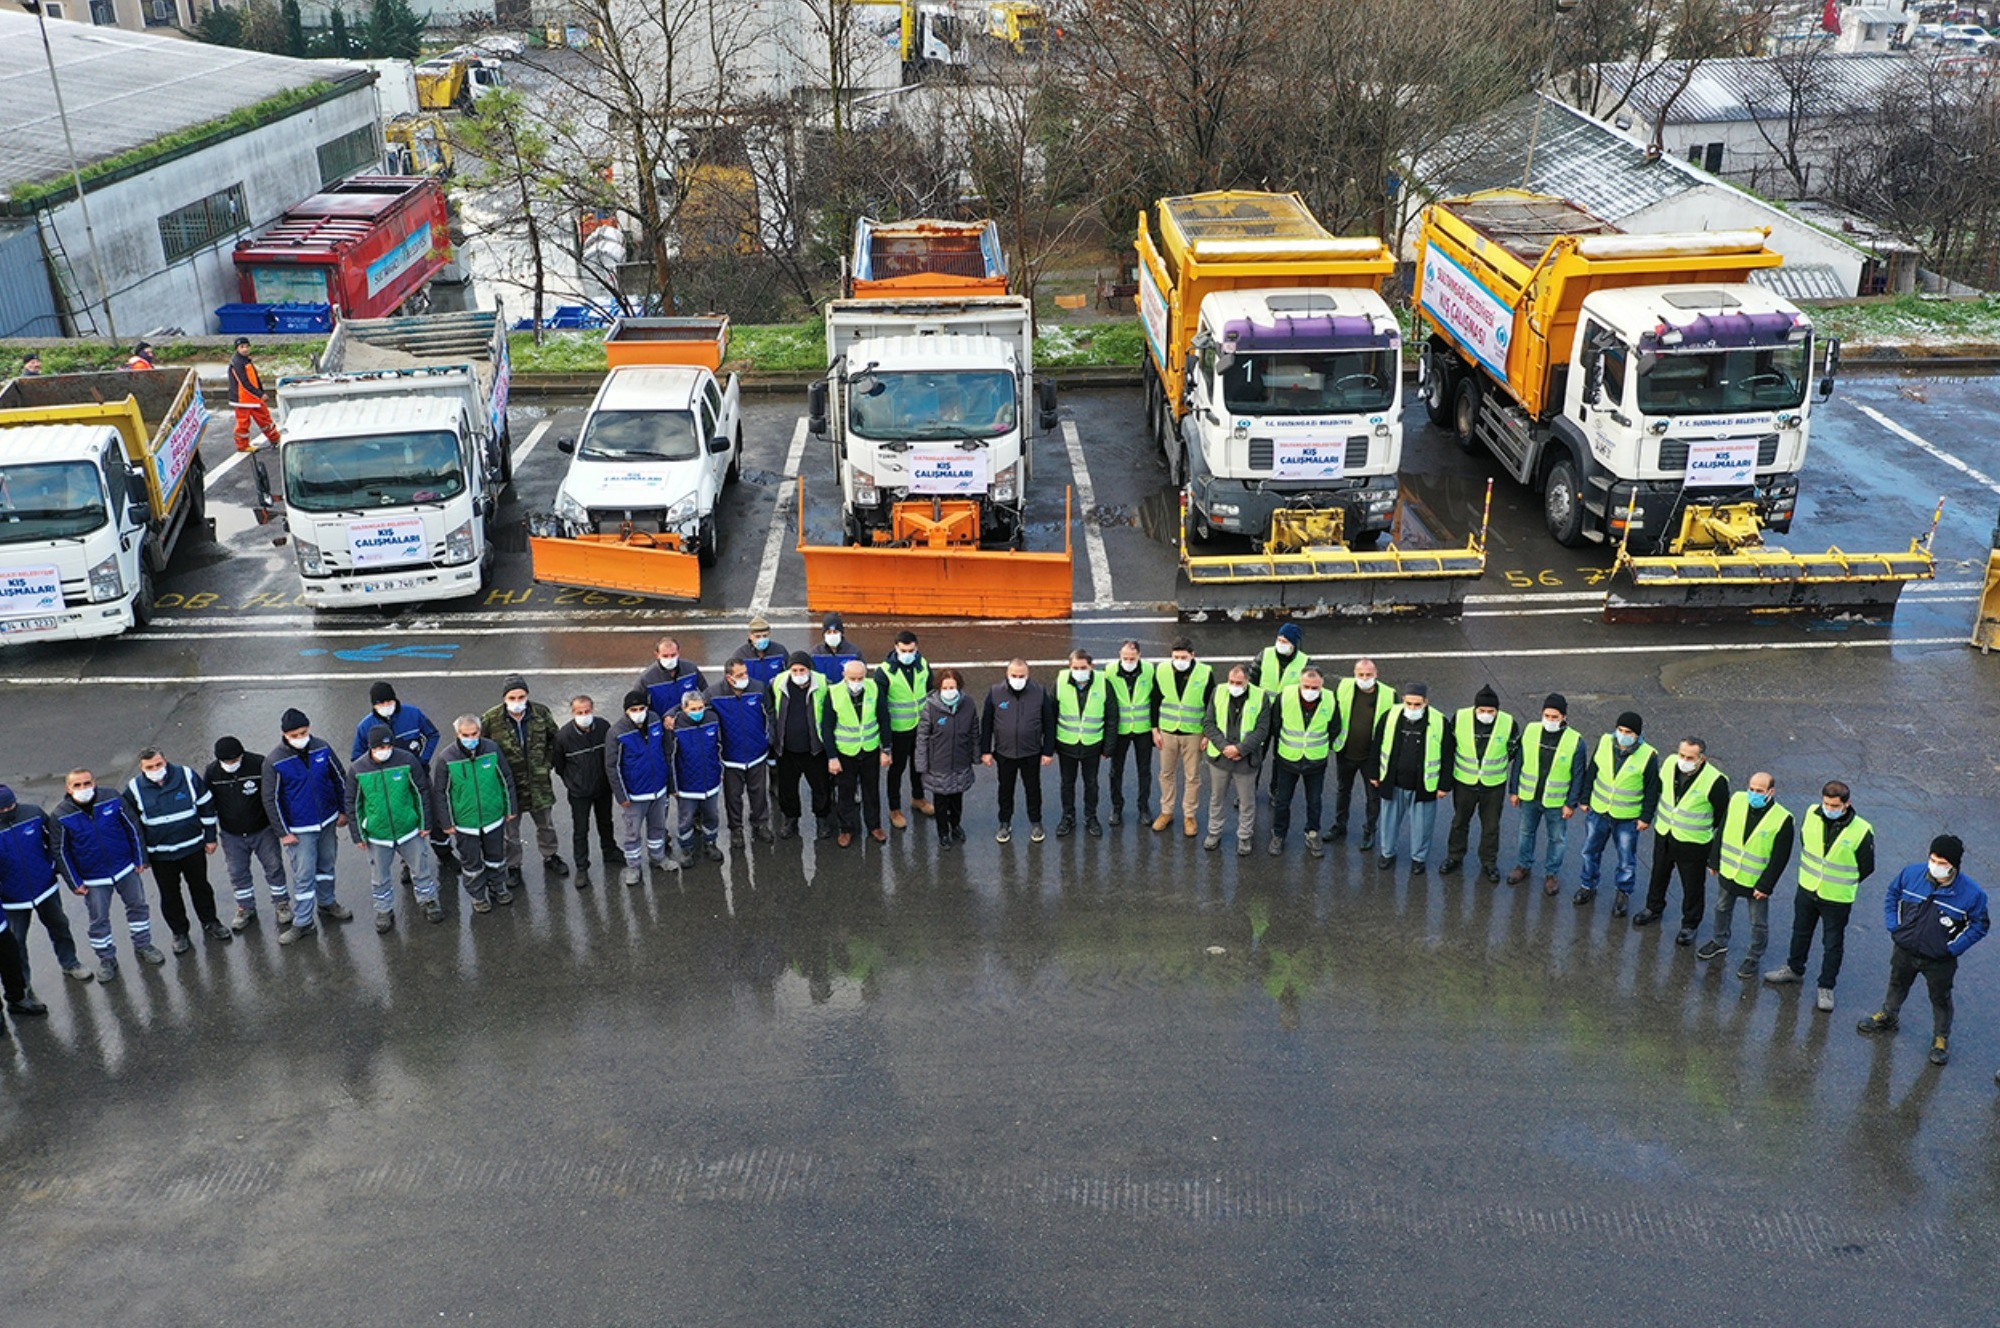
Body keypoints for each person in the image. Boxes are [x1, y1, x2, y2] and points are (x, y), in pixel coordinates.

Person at [1858, 835, 1990, 1067]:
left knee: (1940, 998)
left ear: (1953, 865)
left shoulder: (1972, 894)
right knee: (1897, 983)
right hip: (1905, 948)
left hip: (1940, 959)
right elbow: (1892, 895)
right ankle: (1888, 1015)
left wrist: (1953, 948)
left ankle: (1941, 1038)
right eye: (1932, 859)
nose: (1935, 865)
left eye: (1941, 862)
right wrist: (1894, 926)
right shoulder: (1911, 875)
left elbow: (1980, 924)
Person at [1764, 780, 1877, 1013]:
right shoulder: (1811, 813)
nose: (1828, 808)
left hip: (1836, 897)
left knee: (1832, 943)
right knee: (1800, 932)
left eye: (1834, 805)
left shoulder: (1862, 830)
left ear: (1847, 804)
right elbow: (1806, 843)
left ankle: (1826, 986)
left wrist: (1838, 882)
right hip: (1807, 887)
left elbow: (1866, 867)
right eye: (1825, 803)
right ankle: (1794, 968)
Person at [51, 768, 159, 980]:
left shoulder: (112, 798)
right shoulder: (60, 815)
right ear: (68, 788)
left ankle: (143, 945)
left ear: (95, 782)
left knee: (138, 907)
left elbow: (133, 828)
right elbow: (61, 852)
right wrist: (74, 882)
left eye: (87, 783)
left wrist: (140, 858)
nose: (84, 788)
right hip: (93, 879)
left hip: (125, 868)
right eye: (78, 785)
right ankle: (107, 959)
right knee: (99, 920)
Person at [123, 747, 230, 954]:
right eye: (150, 767)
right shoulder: (134, 789)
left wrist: (210, 837)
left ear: (165, 760)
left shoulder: (186, 776)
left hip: (193, 847)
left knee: (201, 887)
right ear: (141, 768)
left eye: (158, 764)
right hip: (161, 854)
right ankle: (179, 932)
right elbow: (132, 825)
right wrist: (141, 857)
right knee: (170, 894)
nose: (155, 769)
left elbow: (206, 805)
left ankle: (211, 922)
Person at [262, 709, 354, 945]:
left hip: (327, 821)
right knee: (303, 875)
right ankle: (303, 921)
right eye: (295, 734)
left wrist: (343, 811)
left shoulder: (322, 747)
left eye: (304, 732)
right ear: (285, 735)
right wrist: (284, 832)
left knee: (326, 865)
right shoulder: (275, 761)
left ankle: (327, 902)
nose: (301, 737)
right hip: (299, 830)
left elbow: (339, 779)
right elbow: (271, 799)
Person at [1697, 771, 1795, 978]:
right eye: (1751, 789)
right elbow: (1722, 830)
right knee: (1722, 908)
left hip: (1755, 881)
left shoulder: (1782, 819)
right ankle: (1719, 941)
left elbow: (1780, 858)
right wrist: (1714, 860)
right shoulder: (1737, 800)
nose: (1753, 794)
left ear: (1771, 792)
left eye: (1759, 791)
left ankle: (1754, 956)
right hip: (1730, 871)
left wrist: (1766, 885)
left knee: (1758, 921)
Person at [345, 725, 441, 930]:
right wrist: (358, 835)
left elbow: (421, 792)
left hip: (409, 830)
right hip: (378, 835)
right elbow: (353, 804)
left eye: (388, 745)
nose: (384, 749)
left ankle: (428, 901)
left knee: (421, 869)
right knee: (380, 877)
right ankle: (383, 910)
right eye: (379, 746)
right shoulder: (357, 769)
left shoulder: (407, 760)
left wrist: (425, 823)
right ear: (370, 747)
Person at [1635, 736, 1730, 944]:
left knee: (1692, 886)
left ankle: (1690, 924)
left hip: (1693, 843)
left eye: (1690, 757)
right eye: (1682, 755)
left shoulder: (1715, 781)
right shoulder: (1669, 763)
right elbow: (1660, 790)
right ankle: (1653, 907)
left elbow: (1721, 817)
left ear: (1701, 759)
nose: (1684, 760)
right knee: (1658, 874)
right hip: (1665, 834)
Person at [0, 784, 92, 986]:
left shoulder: (33, 813)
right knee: (16, 943)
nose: (8, 811)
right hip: (12, 899)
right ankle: (22, 984)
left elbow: (54, 842)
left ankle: (70, 963)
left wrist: (51, 867)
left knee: (60, 927)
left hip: (45, 888)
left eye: (11, 806)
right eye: (3, 810)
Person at [483, 674, 567, 886]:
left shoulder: (541, 713)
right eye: (512, 697)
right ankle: (513, 866)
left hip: (538, 783)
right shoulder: (491, 719)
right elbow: (483, 749)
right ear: (505, 698)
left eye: (521, 696)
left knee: (546, 824)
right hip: (510, 786)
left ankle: (550, 855)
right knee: (511, 831)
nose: (517, 701)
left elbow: (554, 740)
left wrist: (547, 763)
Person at [1574, 712, 1660, 917]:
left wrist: (1646, 817)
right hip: (1599, 811)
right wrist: (1584, 799)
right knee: (1590, 851)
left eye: (1628, 732)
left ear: (1637, 735)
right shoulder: (1605, 742)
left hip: (1627, 817)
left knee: (1626, 859)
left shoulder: (1648, 755)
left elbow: (1652, 789)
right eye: (1620, 730)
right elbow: (1592, 770)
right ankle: (1588, 885)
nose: (1623, 735)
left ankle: (1623, 893)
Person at [432, 715, 518, 912]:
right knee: (472, 863)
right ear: (458, 734)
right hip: (465, 823)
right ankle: (478, 896)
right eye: (466, 735)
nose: (471, 738)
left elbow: (506, 778)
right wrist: (446, 823)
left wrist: (511, 807)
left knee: (496, 857)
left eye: (474, 733)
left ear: (480, 732)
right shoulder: (446, 758)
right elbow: (441, 793)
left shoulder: (492, 749)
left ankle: (498, 887)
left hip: (493, 818)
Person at [205, 736, 290, 931]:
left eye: (235, 760)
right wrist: (209, 836)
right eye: (227, 762)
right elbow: (207, 804)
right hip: (231, 833)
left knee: (274, 866)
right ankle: (245, 907)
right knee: (237, 872)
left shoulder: (259, 764)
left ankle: (281, 903)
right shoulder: (212, 772)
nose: (231, 765)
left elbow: (273, 795)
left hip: (262, 830)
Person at [1508, 694, 1586, 896]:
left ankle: (1552, 874)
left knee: (1557, 839)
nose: (1550, 720)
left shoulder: (1575, 741)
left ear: (1564, 717)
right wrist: (1514, 790)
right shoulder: (1531, 731)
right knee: (1526, 832)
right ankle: (1523, 865)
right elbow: (1519, 762)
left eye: (1554, 716)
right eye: (1547, 715)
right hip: (1529, 796)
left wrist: (1571, 803)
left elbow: (1578, 775)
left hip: (1556, 802)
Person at [1372, 683, 1452, 871]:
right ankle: (1387, 853)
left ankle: (1418, 859)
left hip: (1423, 785)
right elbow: (1377, 745)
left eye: (1417, 705)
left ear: (1426, 703)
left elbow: (1447, 754)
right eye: (1409, 704)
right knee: (1388, 822)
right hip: (1394, 782)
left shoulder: (1439, 722)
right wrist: (1374, 774)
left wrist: (1444, 785)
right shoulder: (1390, 716)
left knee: (1422, 826)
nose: (1413, 708)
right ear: (1403, 700)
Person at [1443, 685, 1518, 882]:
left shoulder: (1508, 723)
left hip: (1493, 785)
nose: (1486, 714)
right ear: (1475, 708)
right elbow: (1450, 747)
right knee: (1459, 822)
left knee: (1491, 826)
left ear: (1497, 710)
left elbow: (1512, 750)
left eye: (1491, 711)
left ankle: (1489, 862)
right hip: (1464, 782)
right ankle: (1454, 856)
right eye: (1482, 711)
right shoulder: (1460, 718)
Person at [1326, 659, 1397, 850]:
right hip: (1346, 752)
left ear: (1376, 675)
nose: (1364, 679)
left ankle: (1369, 830)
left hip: (1371, 757)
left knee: (1373, 796)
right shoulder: (1344, 687)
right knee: (1343, 790)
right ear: (1354, 674)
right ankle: (1340, 825)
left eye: (1368, 675)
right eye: (1361, 675)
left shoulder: (1390, 695)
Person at [606, 689, 675, 884]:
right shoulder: (617, 732)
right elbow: (613, 767)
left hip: (658, 790)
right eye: (634, 709)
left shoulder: (654, 720)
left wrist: (669, 784)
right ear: (626, 711)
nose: (639, 712)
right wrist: (622, 796)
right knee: (632, 833)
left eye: (642, 708)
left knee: (658, 828)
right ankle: (633, 866)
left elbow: (666, 751)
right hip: (635, 796)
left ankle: (658, 857)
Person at [1267, 666, 1338, 859]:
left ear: (1322, 685)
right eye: (1306, 686)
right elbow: (1275, 724)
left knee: (1314, 801)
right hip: (1288, 758)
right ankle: (1279, 835)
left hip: (1315, 761)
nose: (1310, 691)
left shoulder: (1330, 700)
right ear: (1300, 683)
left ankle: (1312, 833)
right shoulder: (1286, 696)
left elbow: (1335, 727)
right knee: (1282, 801)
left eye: (1315, 687)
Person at [983, 658, 1055, 844]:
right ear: (1007, 675)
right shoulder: (995, 693)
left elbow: (1049, 723)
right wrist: (986, 751)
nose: (1017, 679)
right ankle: (1004, 822)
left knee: (1033, 789)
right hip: (1005, 753)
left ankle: (1036, 822)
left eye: (1021, 676)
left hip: (1031, 752)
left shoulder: (1039, 692)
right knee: (1005, 790)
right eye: (1014, 675)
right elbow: (987, 724)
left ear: (1028, 675)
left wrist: (1048, 751)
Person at [821, 658, 892, 847]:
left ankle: (874, 826)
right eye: (852, 678)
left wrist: (886, 749)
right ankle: (846, 829)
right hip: (845, 752)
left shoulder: (874, 688)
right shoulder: (833, 693)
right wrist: (832, 757)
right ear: (844, 676)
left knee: (871, 791)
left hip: (869, 750)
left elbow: (884, 719)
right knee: (845, 793)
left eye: (860, 678)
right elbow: (826, 727)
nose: (856, 682)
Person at [1201, 664, 1269, 855]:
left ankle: (1245, 836)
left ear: (1247, 681)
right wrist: (1224, 747)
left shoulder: (1260, 696)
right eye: (1231, 681)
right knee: (1217, 798)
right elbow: (1209, 723)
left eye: (1239, 683)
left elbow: (1262, 730)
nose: (1234, 685)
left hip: (1246, 759)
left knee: (1247, 802)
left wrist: (1241, 749)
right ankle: (1214, 832)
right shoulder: (1219, 691)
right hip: (1220, 757)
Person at [555, 695, 621, 883]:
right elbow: (559, 765)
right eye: (579, 712)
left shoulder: (603, 727)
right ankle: (582, 866)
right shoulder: (564, 736)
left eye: (587, 711)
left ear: (593, 709)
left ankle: (610, 851)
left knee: (606, 822)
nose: (584, 715)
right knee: (581, 829)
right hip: (579, 792)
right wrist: (573, 782)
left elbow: (611, 754)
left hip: (602, 787)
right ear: (573, 713)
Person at [1151, 638, 1213, 838]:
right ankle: (1166, 811)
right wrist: (1155, 729)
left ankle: (1189, 815)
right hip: (1168, 731)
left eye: (1183, 657)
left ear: (1192, 655)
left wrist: (1207, 734)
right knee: (1166, 774)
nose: (1179, 660)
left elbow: (1211, 705)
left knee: (1192, 777)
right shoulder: (1161, 670)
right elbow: (1155, 699)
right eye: (1175, 657)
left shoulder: (1204, 673)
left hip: (1193, 732)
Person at [713, 660, 777, 846]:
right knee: (733, 796)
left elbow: (770, 713)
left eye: (745, 673)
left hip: (757, 754)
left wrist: (768, 738)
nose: (745, 678)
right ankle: (736, 828)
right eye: (740, 675)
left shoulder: (758, 688)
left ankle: (761, 823)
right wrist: (672, 714)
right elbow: (693, 705)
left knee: (758, 793)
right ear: (729, 677)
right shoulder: (714, 694)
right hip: (731, 758)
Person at [915, 668, 980, 848]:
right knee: (941, 802)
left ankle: (955, 824)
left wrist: (976, 756)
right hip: (938, 764)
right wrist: (921, 763)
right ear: (939, 688)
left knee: (957, 798)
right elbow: (922, 737)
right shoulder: (930, 707)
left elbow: (974, 731)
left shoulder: (968, 704)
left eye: (953, 687)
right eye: (946, 687)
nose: (950, 691)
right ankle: (943, 833)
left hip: (960, 761)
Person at [877, 630, 933, 829]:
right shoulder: (884, 672)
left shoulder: (923, 665)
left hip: (920, 728)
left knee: (919, 766)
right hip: (898, 730)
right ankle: (894, 808)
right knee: (896, 770)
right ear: (896, 648)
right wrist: (886, 742)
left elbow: (930, 694)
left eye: (911, 650)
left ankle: (918, 798)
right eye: (903, 650)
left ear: (916, 647)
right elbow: (881, 709)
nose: (908, 654)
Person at [772, 653, 831, 840]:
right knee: (787, 788)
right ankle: (791, 818)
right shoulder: (778, 683)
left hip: (814, 749)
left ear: (809, 669)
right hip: (786, 749)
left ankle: (822, 819)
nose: (798, 673)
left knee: (821, 787)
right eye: (794, 670)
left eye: (802, 670)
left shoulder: (823, 684)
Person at [1054, 649, 1109, 837]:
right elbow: (1051, 712)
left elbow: (1111, 715)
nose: (1079, 671)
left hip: (1092, 744)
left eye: (1083, 667)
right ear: (1069, 667)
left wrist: (1108, 747)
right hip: (1066, 744)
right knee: (1067, 783)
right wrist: (1050, 744)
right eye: (1075, 667)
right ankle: (1068, 816)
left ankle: (1091, 817)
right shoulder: (1061, 682)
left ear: (1091, 667)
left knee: (1091, 783)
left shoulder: (1102, 683)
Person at [1102, 641, 1154, 828]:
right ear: (1119, 655)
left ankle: (1144, 807)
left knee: (1144, 770)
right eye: (1125, 658)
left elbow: (1154, 698)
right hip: (1120, 729)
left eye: (1132, 658)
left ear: (1139, 656)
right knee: (1116, 771)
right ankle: (1117, 807)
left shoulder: (1149, 670)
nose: (1128, 661)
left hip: (1143, 728)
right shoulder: (1109, 671)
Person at [672, 690, 727, 863]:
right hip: (687, 786)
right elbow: (670, 758)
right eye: (693, 709)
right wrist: (674, 786)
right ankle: (687, 849)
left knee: (712, 815)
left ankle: (710, 843)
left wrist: (721, 772)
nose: (698, 712)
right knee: (686, 819)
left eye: (701, 707)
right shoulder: (675, 726)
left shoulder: (712, 719)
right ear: (683, 708)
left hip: (710, 781)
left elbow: (720, 747)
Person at [351, 681, 442, 766]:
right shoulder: (365, 726)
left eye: (389, 701)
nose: (386, 706)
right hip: (384, 776)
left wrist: (423, 761)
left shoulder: (413, 714)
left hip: (413, 769)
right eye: (381, 703)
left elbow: (433, 735)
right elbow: (357, 757)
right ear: (374, 705)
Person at [228, 337, 281, 452]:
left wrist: (260, 392)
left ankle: (275, 439)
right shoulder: (237, 362)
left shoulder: (245, 360)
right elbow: (244, 382)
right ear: (237, 349)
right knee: (243, 424)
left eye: (247, 346)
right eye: (242, 347)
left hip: (252, 397)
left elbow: (254, 380)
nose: (245, 349)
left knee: (265, 419)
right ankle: (243, 446)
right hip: (243, 399)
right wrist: (260, 394)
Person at [639, 637, 708, 716]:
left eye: (673, 655)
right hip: (664, 722)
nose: (670, 659)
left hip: (689, 720)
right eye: (665, 656)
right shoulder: (647, 678)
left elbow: (706, 692)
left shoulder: (691, 669)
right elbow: (636, 703)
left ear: (678, 653)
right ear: (657, 655)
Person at [727, 614, 790, 687]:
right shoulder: (740, 655)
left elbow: (789, 674)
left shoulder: (780, 651)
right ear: (750, 636)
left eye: (765, 636)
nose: (761, 639)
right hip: (753, 696)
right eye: (757, 636)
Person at [1250, 622, 1308, 697]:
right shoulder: (1265, 655)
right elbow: (1251, 679)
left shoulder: (1305, 662)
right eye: (1279, 640)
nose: (1280, 644)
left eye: (1284, 642)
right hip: (1265, 705)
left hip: (1288, 706)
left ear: (1293, 644)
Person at [811, 614, 864, 686]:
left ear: (841, 633)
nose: (832, 635)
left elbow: (862, 675)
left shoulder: (854, 652)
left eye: (835, 632)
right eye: (829, 632)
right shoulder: (815, 653)